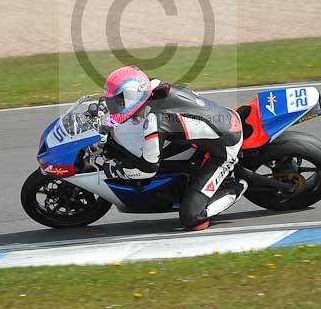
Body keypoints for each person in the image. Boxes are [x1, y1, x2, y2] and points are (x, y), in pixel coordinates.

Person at [100, 65, 247, 230]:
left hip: (225, 147)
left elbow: (147, 169)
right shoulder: (152, 86)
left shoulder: (154, 122)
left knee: (192, 218)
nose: (114, 105)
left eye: (118, 101)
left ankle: (239, 186)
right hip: (217, 120)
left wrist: (115, 169)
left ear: (133, 97)